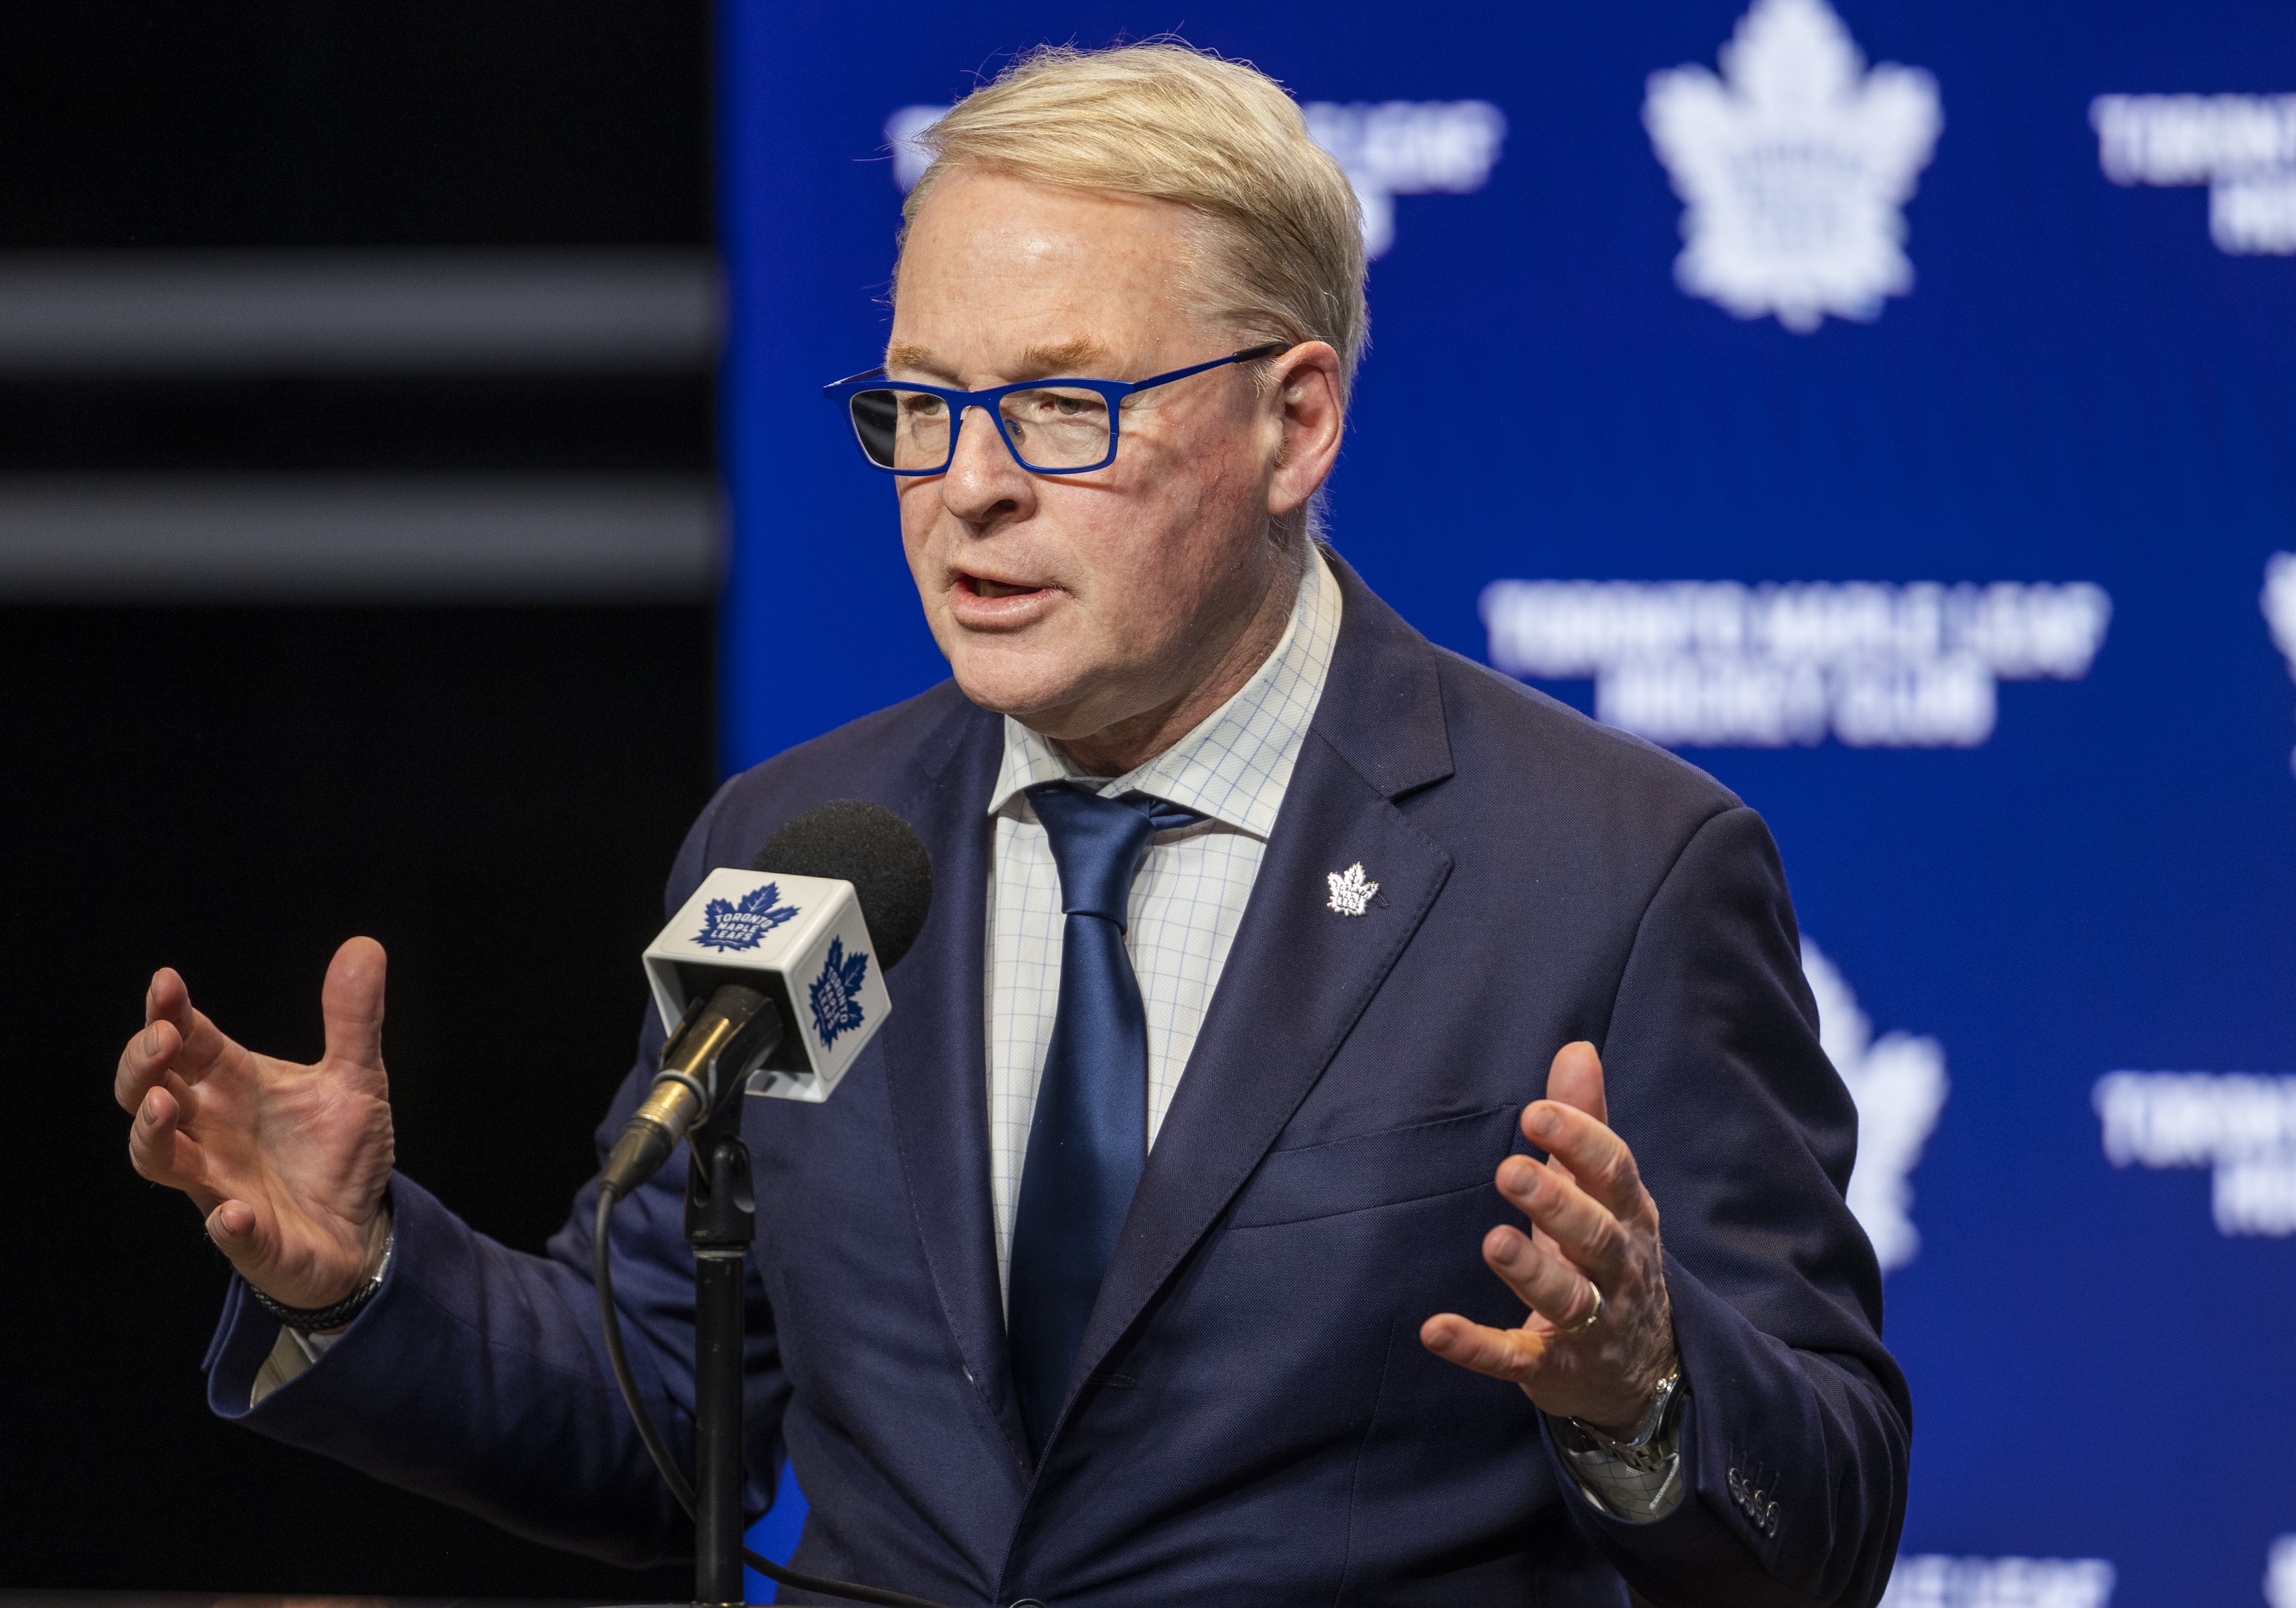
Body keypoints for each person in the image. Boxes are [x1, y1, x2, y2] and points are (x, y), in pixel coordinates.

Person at [113, 41, 1906, 1608]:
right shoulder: (802, 839)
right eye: (922, 402)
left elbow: (1824, 1520)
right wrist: (365, 1278)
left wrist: (1645, 1390)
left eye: (1061, 404)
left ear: (1295, 421)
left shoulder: (1612, 872)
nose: (967, 484)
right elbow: (664, 1410)